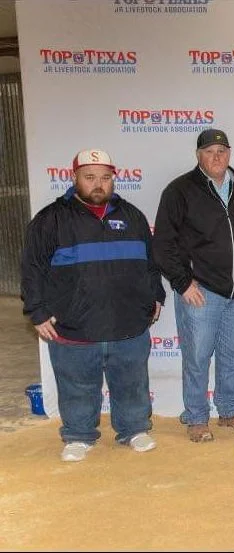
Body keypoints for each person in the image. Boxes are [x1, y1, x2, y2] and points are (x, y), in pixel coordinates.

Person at [21, 149, 165, 462]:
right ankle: (78, 435)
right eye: (90, 177)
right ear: (75, 178)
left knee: (131, 381)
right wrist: (37, 310)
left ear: (113, 178)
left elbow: (150, 263)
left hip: (127, 323)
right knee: (77, 385)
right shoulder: (51, 219)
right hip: (75, 326)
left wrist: (157, 296)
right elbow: (31, 268)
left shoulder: (132, 216)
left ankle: (134, 429)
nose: (98, 184)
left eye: (105, 177)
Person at [153, 129, 234, 443]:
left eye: (222, 151)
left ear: (230, 153)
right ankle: (197, 417)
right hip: (200, 292)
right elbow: (163, 243)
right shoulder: (180, 190)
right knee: (197, 356)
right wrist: (183, 283)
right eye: (210, 151)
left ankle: (229, 410)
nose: (217, 157)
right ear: (198, 155)